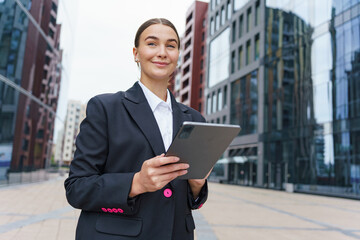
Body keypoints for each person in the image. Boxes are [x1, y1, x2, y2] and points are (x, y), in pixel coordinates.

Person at [64, 18, 209, 240]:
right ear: (136, 53)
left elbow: (187, 199)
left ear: (178, 56)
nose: (162, 52)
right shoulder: (105, 108)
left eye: (171, 46)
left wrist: (198, 185)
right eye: (152, 44)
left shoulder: (195, 119)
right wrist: (136, 183)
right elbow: (77, 188)